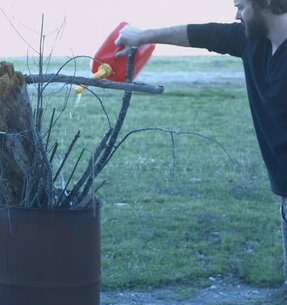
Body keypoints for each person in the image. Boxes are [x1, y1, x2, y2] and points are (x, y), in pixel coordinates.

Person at [114, 0, 287, 284]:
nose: (236, 14)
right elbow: (199, 34)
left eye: (242, 6)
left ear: (265, 4)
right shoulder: (251, 42)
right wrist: (143, 35)